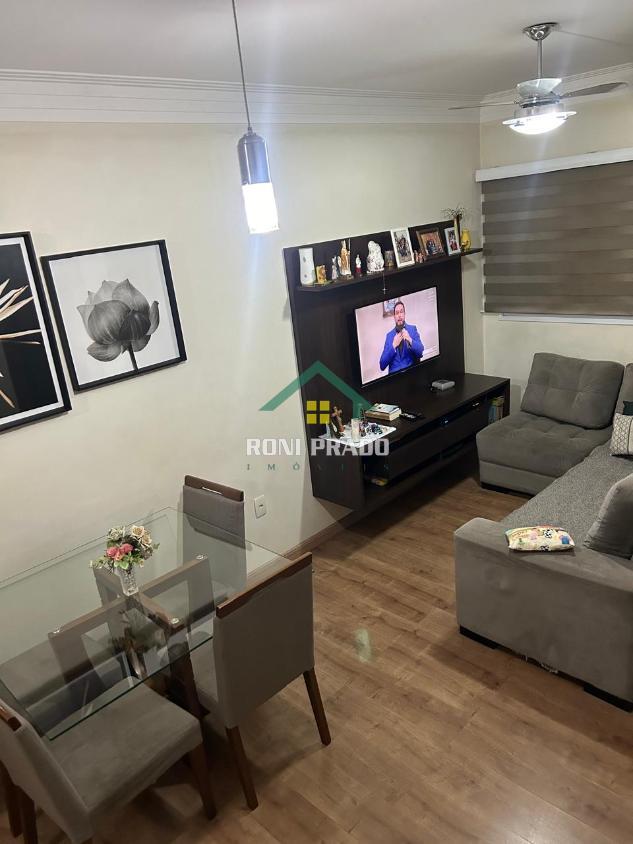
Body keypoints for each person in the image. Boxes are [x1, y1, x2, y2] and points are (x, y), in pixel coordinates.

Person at [379, 300, 424, 375]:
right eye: (397, 313)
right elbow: (382, 365)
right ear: (394, 317)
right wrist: (393, 345)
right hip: (395, 378)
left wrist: (409, 339)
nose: (399, 315)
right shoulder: (389, 336)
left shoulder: (412, 329)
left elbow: (420, 352)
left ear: (404, 314)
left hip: (411, 375)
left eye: (401, 312)